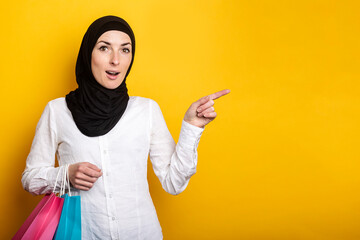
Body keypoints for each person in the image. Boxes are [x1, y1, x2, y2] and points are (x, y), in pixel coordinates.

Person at [22, 15, 230, 239]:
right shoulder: (56, 111)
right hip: (83, 234)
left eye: (125, 50)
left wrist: (192, 127)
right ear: (87, 54)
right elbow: (29, 179)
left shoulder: (147, 110)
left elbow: (174, 183)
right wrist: (65, 175)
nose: (115, 60)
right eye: (104, 48)